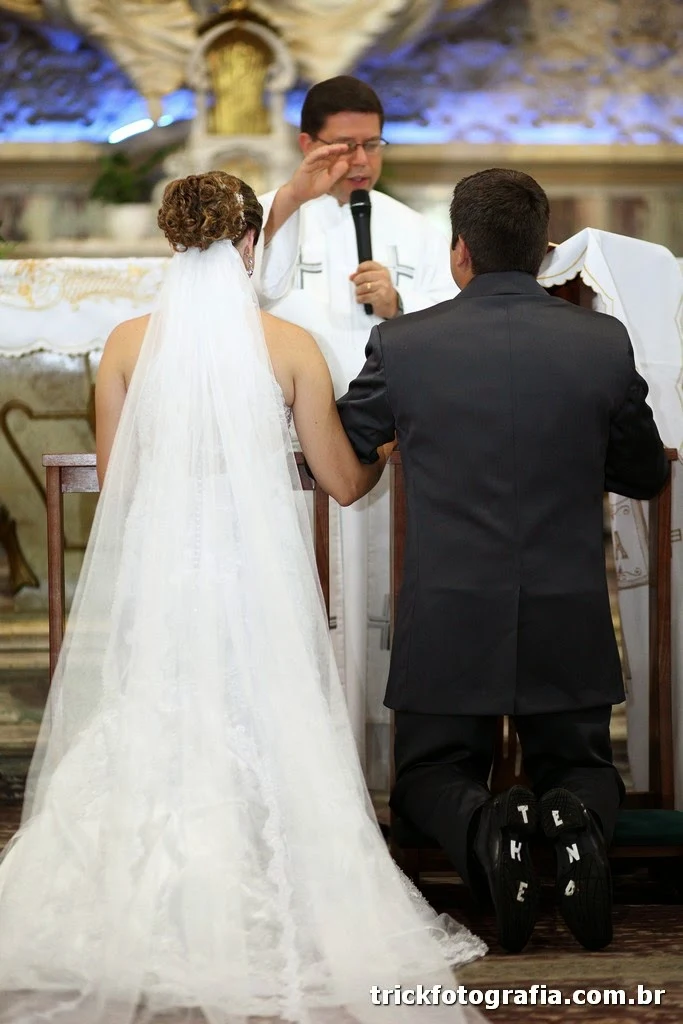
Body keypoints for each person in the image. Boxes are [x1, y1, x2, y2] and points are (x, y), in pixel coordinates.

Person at [0, 172, 485, 1024]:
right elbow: (342, 483)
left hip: (164, 574)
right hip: (254, 577)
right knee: (266, 722)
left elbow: (120, 489)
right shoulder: (290, 346)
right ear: (250, 244)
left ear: (172, 243)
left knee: (154, 716)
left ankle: (141, 901)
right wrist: (383, 446)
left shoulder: (124, 346)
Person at [337, 167, 670, 956]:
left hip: (449, 609)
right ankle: (570, 820)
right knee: (582, 766)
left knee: (428, 778)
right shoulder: (600, 341)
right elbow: (643, 474)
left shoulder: (404, 344)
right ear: (542, 252)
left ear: (459, 250)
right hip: (565, 603)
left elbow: (347, 443)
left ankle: (489, 826)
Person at [257, 75, 456, 780]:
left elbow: (453, 326)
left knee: (379, 604)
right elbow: (241, 289)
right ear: (307, 143)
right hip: (295, 452)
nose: (361, 160)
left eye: (373, 143)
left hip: (386, 449)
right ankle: (300, 762)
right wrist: (290, 198)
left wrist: (399, 306)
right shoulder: (279, 214)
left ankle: (376, 765)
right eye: (344, 145)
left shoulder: (415, 229)